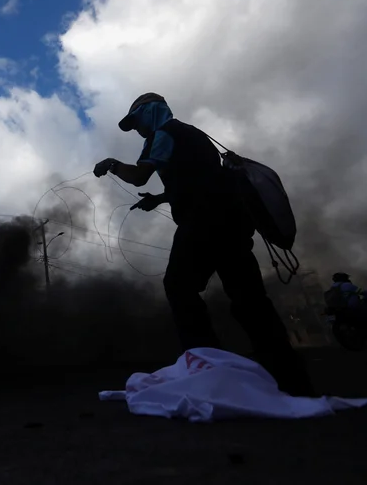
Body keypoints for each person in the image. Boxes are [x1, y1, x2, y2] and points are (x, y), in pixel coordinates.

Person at [93, 92, 314, 396]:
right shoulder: (192, 134)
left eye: (137, 122)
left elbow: (140, 176)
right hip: (233, 223)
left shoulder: (163, 134)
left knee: (179, 286)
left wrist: (113, 165)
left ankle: (206, 370)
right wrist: (160, 198)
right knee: (249, 299)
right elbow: (201, 179)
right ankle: (291, 380)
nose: (137, 130)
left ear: (150, 112)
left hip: (204, 221)